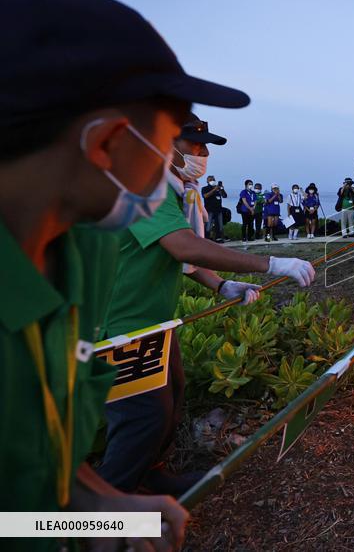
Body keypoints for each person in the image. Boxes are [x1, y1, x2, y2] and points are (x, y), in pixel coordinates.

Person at [0, 0, 253, 550]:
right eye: (164, 143)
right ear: (106, 143)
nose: (175, 166)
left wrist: (98, 504)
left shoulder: (81, 253)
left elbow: (42, 457)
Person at [97, 146, 316, 497]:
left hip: (153, 324)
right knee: (142, 419)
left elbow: (174, 255)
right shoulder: (143, 186)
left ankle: (150, 478)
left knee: (172, 398)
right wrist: (270, 263)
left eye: (205, 148)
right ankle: (97, 522)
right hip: (122, 329)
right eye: (194, 147)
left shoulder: (175, 191)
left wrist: (221, 284)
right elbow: (184, 247)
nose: (202, 155)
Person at [201, 174, 227, 242]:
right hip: (209, 210)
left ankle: (218, 238)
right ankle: (206, 238)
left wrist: (222, 189)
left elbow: (224, 196)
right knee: (208, 225)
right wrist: (214, 190)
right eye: (210, 180)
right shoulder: (205, 188)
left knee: (219, 225)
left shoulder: (218, 189)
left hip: (218, 209)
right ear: (207, 181)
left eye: (213, 179)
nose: (212, 181)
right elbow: (205, 196)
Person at [237, 179, 256, 244]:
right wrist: (250, 209)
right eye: (249, 184)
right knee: (245, 224)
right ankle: (244, 237)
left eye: (251, 184)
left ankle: (250, 237)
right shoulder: (243, 192)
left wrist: (253, 208)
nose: (251, 185)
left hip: (252, 210)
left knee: (251, 224)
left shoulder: (253, 192)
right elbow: (244, 201)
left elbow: (255, 201)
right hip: (245, 210)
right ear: (246, 185)